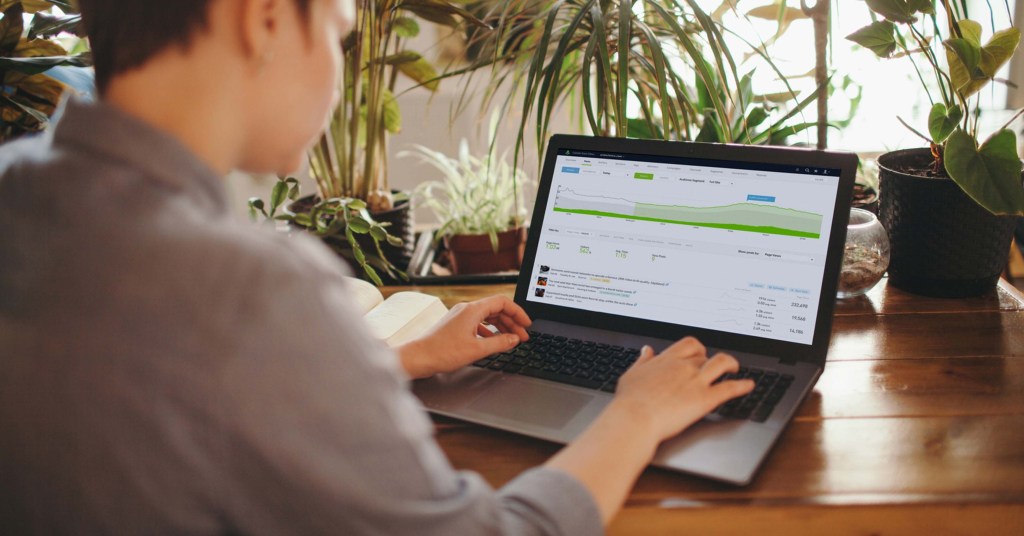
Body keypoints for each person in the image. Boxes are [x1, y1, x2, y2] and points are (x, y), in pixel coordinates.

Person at [0, 0, 754, 533]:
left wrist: (395, 361)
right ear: (262, 17)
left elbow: (151, 390)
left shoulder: (18, 186)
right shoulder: (249, 285)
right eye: (338, 34)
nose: (336, 73)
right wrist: (637, 415)